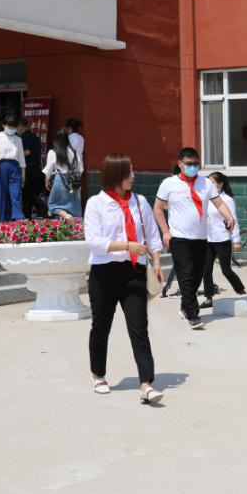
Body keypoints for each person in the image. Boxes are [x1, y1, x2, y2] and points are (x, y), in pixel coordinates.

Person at [84, 153, 165, 404]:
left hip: (134, 273)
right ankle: (98, 375)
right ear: (116, 175)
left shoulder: (139, 202)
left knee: (139, 327)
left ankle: (146, 383)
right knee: (101, 326)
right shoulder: (96, 204)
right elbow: (93, 241)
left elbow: (152, 235)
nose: (133, 176)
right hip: (104, 274)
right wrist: (127, 246)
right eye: (129, 172)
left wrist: (157, 261)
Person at [153, 147, 235, 330]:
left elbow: (219, 203)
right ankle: (193, 315)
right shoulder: (169, 183)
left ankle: (185, 307)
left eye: (196, 164)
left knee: (197, 274)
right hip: (179, 238)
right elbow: (157, 209)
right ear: (180, 164)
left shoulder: (206, 184)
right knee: (186, 275)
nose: (193, 167)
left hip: (201, 238)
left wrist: (229, 216)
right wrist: (165, 232)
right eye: (189, 164)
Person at [201, 171, 247, 307]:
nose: (209, 186)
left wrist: (236, 240)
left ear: (220, 184)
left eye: (212, 183)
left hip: (222, 239)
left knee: (226, 270)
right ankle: (209, 298)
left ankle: (241, 290)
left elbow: (234, 220)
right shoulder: (205, 199)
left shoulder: (227, 200)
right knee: (206, 269)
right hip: (208, 239)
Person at [0, 115, 25, 221]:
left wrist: (23, 171)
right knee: (2, 193)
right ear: (3, 125)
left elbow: (21, 156)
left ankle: (18, 218)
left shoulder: (18, 139)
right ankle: (4, 219)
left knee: (16, 193)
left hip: (15, 167)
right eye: (9, 127)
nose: (11, 129)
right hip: (1, 166)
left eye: (14, 127)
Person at [43, 129, 83, 219]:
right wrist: (75, 178)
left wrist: (46, 181)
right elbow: (80, 168)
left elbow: (49, 169)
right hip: (74, 182)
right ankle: (73, 222)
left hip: (60, 180)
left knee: (53, 204)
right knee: (74, 206)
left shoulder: (53, 152)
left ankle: (64, 214)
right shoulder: (74, 152)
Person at [18, 118, 46, 219]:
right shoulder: (35, 137)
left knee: (28, 194)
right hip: (36, 168)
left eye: (17, 127)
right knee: (29, 194)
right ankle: (27, 216)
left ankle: (43, 207)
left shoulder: (23, 137)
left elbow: (27, 152)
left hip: (28, 169)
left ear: (21, 127)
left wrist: (15, 155)